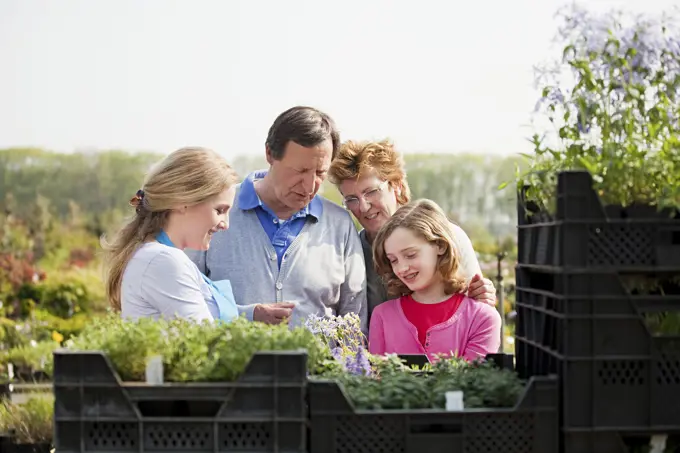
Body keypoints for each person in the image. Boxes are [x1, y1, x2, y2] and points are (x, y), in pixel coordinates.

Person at [186, 106, 367, 329]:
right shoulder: (214, 212)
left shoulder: (341, 225)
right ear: (270, 154)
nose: (310, 186)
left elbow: (355, 319)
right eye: (300, 170)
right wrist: (247, 315)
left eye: (320, 173)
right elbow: (186, 300)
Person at [327, 139, 497, 320]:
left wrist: (483, 296)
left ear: (397, 186)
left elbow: (480, 313)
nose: (363, 207)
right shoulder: (352, 251)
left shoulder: (448, 237)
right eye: (352, 199)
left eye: (371, 192)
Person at [102, 147, 241, 323]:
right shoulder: (164, 260)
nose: (225, 224)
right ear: (183, 202)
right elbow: (204, 340)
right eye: (220, 210)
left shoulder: (157, 255)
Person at [368, 199, 502, 362]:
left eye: (410, 255)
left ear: (441, 246)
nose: (402, 268)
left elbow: (474, 382)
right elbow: (375, 380)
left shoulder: (482, 318)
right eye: (393, 260)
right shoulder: (382, 316)